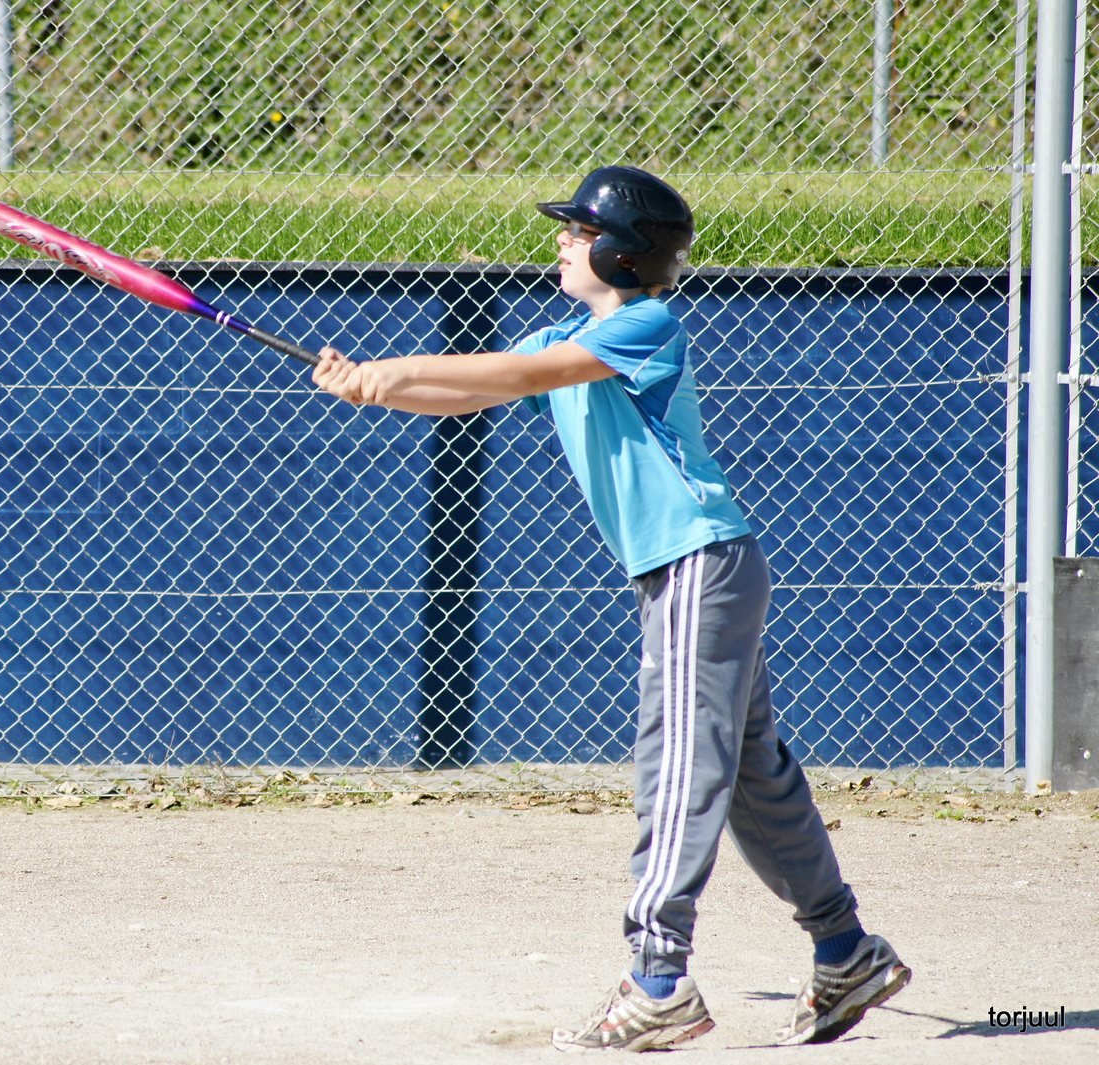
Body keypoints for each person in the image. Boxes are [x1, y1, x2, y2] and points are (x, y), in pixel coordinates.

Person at [310, 165, 910, 1052]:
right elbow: (475, 388)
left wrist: (390, 369)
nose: (562, 240)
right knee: (753, 777)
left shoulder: (643, 325)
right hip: (698, 569)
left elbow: (520, 372)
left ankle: (658, 978)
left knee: (679, 769)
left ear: (625, 255)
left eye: (581, 232)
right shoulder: (575, 329)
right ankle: (845, 949)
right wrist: (372, 385)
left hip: (698, 564)